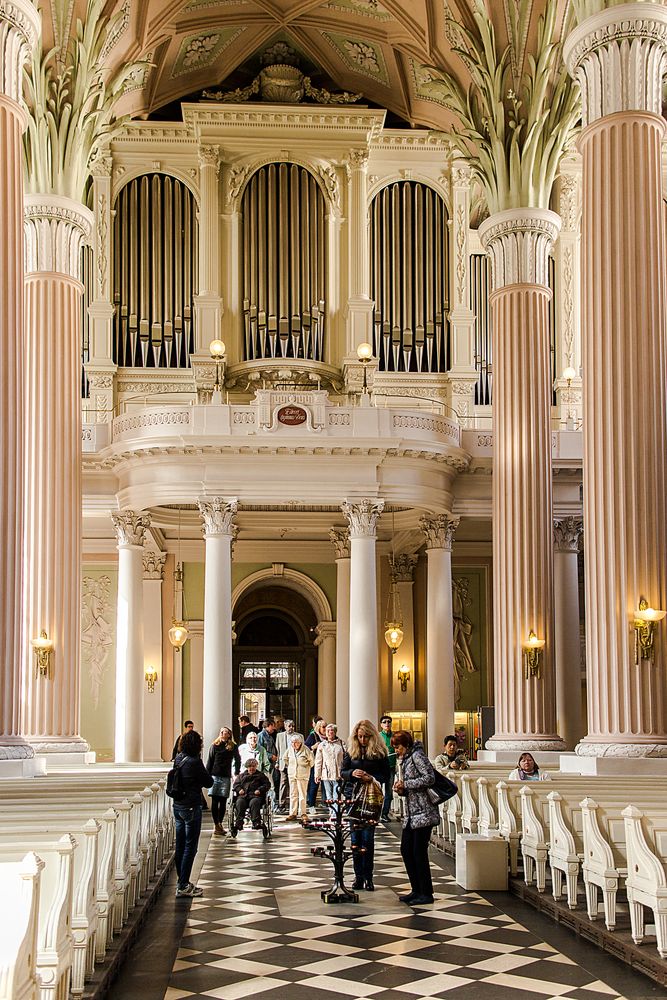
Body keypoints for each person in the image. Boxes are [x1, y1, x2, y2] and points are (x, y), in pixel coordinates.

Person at [392, 729, 440, 906]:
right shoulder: (405, 759)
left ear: (406, 745)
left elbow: (429, 778)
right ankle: (416, 889)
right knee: (406, 850)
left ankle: (426, 893)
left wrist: (407, 784)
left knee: (418, 853)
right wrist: (402, 789)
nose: (396, 750)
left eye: (397, 747)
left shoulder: (418, 756)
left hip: (424, 812)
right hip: (412, 814)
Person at [341, 720, 389, 891]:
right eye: (359, 736)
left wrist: (372, 778)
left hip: (370, 800)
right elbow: (343, 772)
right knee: (355, 839)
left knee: (368, 839)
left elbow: (385, 775)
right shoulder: (351, 751)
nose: (362, 740)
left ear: (372, 736)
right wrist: (352, 773)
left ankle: (368, 877)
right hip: (353, 798)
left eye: (365, 737)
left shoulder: (379, 753)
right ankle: (358, 877)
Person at [172, 729, 212, 897]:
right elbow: (208, 782)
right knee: (190, 846)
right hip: (191, 806)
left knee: (180, 844)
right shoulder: (194, 762)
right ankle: (183, 884)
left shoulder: (179, 759)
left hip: (178, 806)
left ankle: (182, 880)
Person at [206, 727, 241, 835]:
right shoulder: (214, 746)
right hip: (215, 775)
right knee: (215, 800)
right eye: (221, 732)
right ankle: (216, 824)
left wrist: (236, 771)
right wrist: (207, 776)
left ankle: (220, 822)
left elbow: (237, 759)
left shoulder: (232, 746)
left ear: (229, 735)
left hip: (225, 775)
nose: (222, 734)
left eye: (224, 732)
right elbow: (210, 760)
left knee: (223, 801)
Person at [314, 723, 344, 817]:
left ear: (334, 732)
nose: (329, 732)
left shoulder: (341, 743)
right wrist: (317, 775)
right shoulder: (322, 745)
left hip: (338, 774)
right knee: (329, 796)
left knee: (336, 795)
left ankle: (335, 814)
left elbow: (346, 757)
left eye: (331, 731)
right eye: (327, 731)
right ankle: (332, 813)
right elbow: (318, 761)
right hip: (326, 774)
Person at [232, 759, 272, 829]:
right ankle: (239, 823)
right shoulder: (241, 776)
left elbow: (267, 784)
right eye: (250, 766)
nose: (251, 768)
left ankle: (256, 822)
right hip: (243, 795)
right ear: (247, 767)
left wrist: (260, 790)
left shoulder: (260, 775)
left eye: (253, 766)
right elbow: (236, 785)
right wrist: (239, 790)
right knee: (239, 802)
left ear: (256, 766)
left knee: (254, 802)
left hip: (255, 796)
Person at [283, 733, 313, 821]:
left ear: (300, 743)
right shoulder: (289, 749)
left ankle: (303, 813)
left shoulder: (306, 749)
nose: (294, 744)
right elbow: (285, 758)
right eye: (292, 742)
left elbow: (312, 761)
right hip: (292, 775)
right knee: (293, 794)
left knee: (302, 795)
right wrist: (291, 766)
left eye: (296, 742)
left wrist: (304, 766)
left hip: (302, 775)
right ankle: (292, 813)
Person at [276, 719, 303, 813]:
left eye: (293, 726)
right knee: (283, 783)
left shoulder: (299, 736)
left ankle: (295, 804)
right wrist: (277, 762)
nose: (291, 728)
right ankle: (281, 804)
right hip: (283, 763)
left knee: (295, 784)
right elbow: (278, 750)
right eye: (289, 726)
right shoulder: (279, 736)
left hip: (295, 763)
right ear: (285, 726)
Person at [305, 718, 326, 814]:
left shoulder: (328, 736)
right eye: (323, 727)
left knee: (326, 785)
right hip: (315, 764)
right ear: (318, 728)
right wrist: (314, 747)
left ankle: (327, 803)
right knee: (314, 785)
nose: (325, 729)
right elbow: (305, 748)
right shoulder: (313, 736)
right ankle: (311, 805)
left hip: (326, 764)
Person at [379, 715, 397, 820]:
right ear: (381, 724)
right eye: (385, 722)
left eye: (389, 722)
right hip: (380, 767)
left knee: (389, 791)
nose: (387, 724)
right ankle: (377, 812)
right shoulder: (378, 736)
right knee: (379, 791)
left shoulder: (394, 736)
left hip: (391, 766)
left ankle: (385, 813)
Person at [258, 719, 280, 800]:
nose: (274, 728)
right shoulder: (261, 736)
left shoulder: (269, 736)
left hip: (271, 764)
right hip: (265, 765)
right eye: (272, 726)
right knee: (269, 785)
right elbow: (260, 750)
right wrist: (271, 756)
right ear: (268, 726)